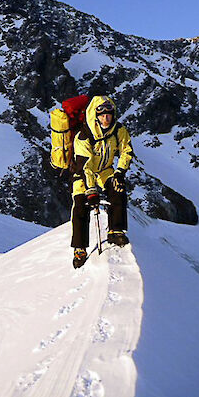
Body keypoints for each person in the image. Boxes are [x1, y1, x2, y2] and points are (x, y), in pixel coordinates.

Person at [70, 96, 134, 268]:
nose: (106, 118)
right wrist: (91, 190)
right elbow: (85, 166)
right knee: (80, 206)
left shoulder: (118, 130)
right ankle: (80, 247)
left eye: (109, 114)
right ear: (95, 116)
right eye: (102, 115)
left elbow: (126, 150)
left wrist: (120, 172)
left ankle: (116, 230)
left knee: (118, 190)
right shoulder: (84, 135)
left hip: (105, 169)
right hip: (83, 174)